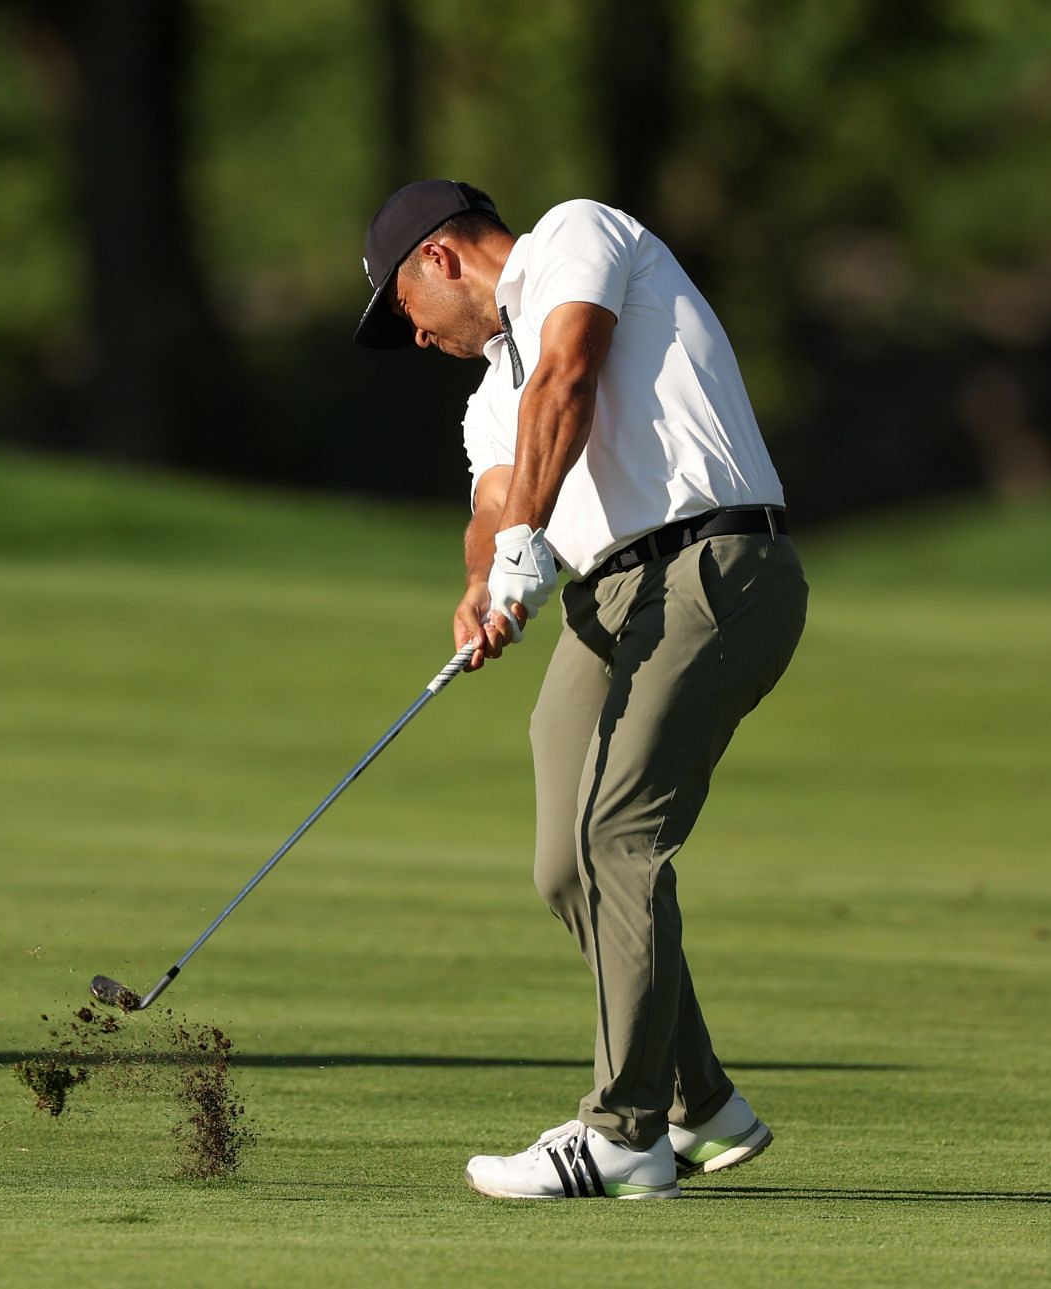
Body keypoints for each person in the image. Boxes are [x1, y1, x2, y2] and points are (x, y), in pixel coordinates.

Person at [354, 180, 808, 1200]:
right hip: (607, 599)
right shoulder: (488, 391)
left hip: (713, 565)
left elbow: (572, 373)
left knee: (620, 838)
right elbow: (497, 500)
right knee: (566, 859)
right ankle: (702, 1101)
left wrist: (523, 543)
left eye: (403, 315)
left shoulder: (577, 236)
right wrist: (485, 579)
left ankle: (624, 1134)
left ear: (441, 258)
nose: (416, 341)